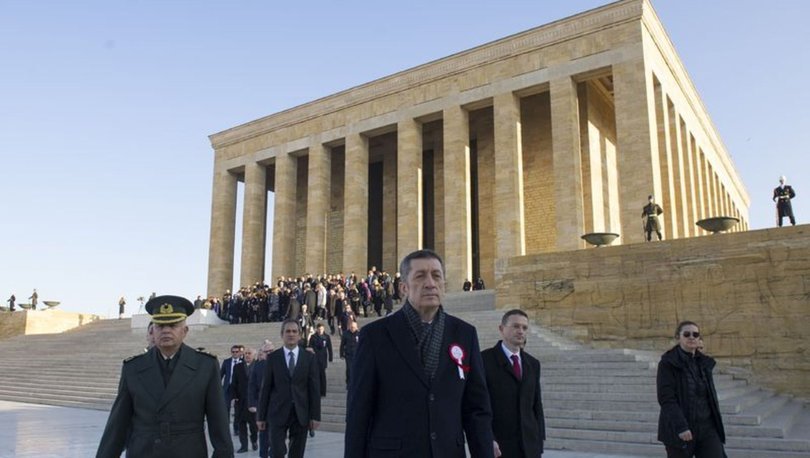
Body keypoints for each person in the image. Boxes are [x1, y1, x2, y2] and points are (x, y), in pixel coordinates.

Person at [344, 249, 494, 458]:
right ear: (403, 287)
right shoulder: (375, 336)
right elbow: (358, 411)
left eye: (436, 276)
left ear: (443, 285)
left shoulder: (465, 334)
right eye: (420, 276)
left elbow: (477, 409)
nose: (430, 283)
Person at [96, 295, 233, 457]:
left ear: (185, 331)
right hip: (144, 451)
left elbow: (218, 421)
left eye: (173, 325)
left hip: (187, 451)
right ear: (152, 331)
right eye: (160, 325)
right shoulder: (133, 367)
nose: (166, 330)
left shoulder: (205, 365)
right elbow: (118, 423)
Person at [481, 309, 545, 457]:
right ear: (501, 329)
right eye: (515, 326)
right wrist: (488, 438)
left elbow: (536, 405)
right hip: (499, 446)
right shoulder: (483, 360)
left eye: (524, 328)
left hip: (529, 446)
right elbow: (479, 404)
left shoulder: (533, 364)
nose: (521, 331)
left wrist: (539, 439)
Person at [657, 321, 726, 457]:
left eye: (695, 334)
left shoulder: (704, 363)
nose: (692, 337)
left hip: (707, 428)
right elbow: (666, 398)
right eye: (687, 334)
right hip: (680, 429)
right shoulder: (667, 363)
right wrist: (681, 427)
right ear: (678, 337)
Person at [256, 320, 321, 458]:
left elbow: (314, 389)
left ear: (299, 335)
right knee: (277, 451)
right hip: (277, 412)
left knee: (297, 453)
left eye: (294, 331)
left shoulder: (309, 358)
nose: (291, 334)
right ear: (282, 334)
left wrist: (315, 416)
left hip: (300, 413)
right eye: (288, 331)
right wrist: (260, 416)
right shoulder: (273, 358)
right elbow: (265, 388)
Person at [249, 341, 275, 458]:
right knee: (264, 437)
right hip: (263, 408)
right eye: (266, 351)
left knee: (276, 439)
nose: (269, 353)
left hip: (278, 407)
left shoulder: (281, 364)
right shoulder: (257, 366)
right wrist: (252, 403)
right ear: (262, 353)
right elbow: (252, 386)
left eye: (271, 351)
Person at [231, 348, 259, 453]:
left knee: (253, 425)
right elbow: (233, 383)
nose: (247, 355)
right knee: (241, 424)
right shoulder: (238, 367)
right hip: (241, 401)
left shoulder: (258, 366)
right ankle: (244, 446)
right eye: (246, 353)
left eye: (249, 353)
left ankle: (254, 441)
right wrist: (234, 396)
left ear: (254, 355)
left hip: (253, 402)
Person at [221, 344, 244, 436]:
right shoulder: (226, 362)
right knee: (225, 408)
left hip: (238, 389)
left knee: (237, 410)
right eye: (233, 352)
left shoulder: (243, 362)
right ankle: (225, 428)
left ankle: (236, 428)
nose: (234, 353)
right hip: (227, 388)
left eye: (236, 352)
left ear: (240, 352)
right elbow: (221, 374)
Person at [308, 323, 333, 397]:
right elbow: (310, 347)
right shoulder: (313, 337)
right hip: (315, 358)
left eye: (322, 329)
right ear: (317, 329)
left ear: (324, 329)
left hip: (323, 358)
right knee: (316, 375)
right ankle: (317, 390)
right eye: (319, 329)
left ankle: (323, 391)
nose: (320, 331)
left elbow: (329, 348)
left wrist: (330, 357)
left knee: (322, 375)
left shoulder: (326, 337)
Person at [340, 320, 360, 387]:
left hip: (357, 355)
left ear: (356, 327)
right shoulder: (345, 334)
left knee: (357, 369)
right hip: (348, 354)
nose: (353, 328)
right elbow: (342, 345)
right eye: (351, 327)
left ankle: (355, 382)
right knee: (349, 369)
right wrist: (341, 354)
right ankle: (349, 383)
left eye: (354, 327)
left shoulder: (359, 334)